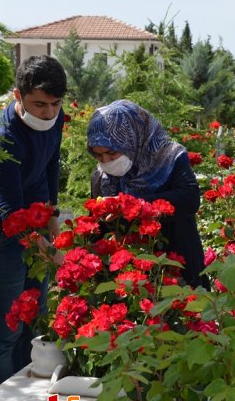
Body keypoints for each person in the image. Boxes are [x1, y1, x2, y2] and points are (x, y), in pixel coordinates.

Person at [0, 55, 67, 393]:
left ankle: (26, 398)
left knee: (33, 321)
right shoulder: (2, 136)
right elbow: (10, 214)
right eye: (39, 104)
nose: (48, 113)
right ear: (18, 96)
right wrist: (51, 254)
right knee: (4, 329)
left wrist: (52, 217)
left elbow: (52, 163)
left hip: (35, 221)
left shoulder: (54, 119)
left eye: (55, 104)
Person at [87, 99, 210, 289]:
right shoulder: (101, 176)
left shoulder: (169, 157)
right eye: (98, 155)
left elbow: (189, 198)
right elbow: (97, 227)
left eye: (111, 152)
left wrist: (133, 205)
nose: (106, 161)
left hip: (175, 259)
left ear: (130, 139)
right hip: (128, 274)